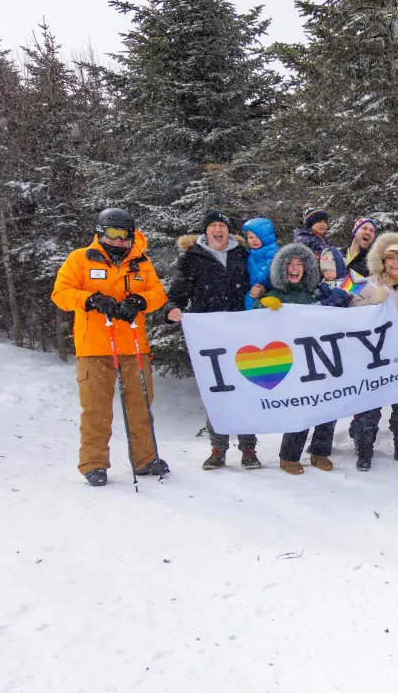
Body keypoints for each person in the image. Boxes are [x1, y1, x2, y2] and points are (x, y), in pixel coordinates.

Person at [51, 207, 169, 486]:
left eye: (125, 235)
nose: (119, 241)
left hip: (134, 346)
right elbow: (61, 293)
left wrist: (139, 301)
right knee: (96, 409)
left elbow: (157, 293)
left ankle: (145, 459)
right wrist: (91, 299)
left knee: (141, 407)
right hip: (94, 348)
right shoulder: (80, 259)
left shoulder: (141, 262)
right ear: (101, 233)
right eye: (113, 234)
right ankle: (94, 464)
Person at [165, 210, 260, 471]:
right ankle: (218, 448)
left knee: (246, 388)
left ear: (229, 231)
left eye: (223, 226)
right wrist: (171, 309)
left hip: (243, 333)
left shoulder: (243, 255)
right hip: (210, 336)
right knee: (217, 391)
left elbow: (260, 279)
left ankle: (248, 448)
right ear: (205, 231)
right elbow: (177, 293)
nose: (218, 230)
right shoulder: (192, 258)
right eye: (213, 226)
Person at [256, 243, 350, 474]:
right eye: (290, 263)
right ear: (282, 267)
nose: (295, 268)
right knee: (301, 408)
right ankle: (289, 456)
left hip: (321, 358)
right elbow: (255, 325)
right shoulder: (275, 294)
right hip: (292, 361)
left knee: (328, 405)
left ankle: (320, 452)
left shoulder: (316, 292)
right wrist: (261, 304)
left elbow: (344, 303)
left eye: (300, 263)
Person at [348, 231, 398, 469]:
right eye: (391, 258)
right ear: (382, 260)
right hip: (374, 361)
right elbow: (351, 312)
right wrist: (372, 299)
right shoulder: (368, 283)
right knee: (369, 409)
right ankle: (364, 449)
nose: (395, 263)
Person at [242, 217, 278, 310]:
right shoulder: (253, 252)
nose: (254, 240)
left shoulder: (271, 250)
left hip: (265, 285)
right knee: (250, 300)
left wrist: (259, 279)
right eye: (250, 237)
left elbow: (269, 266)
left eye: (257, 237)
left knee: (250, 300)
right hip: (256, 285)